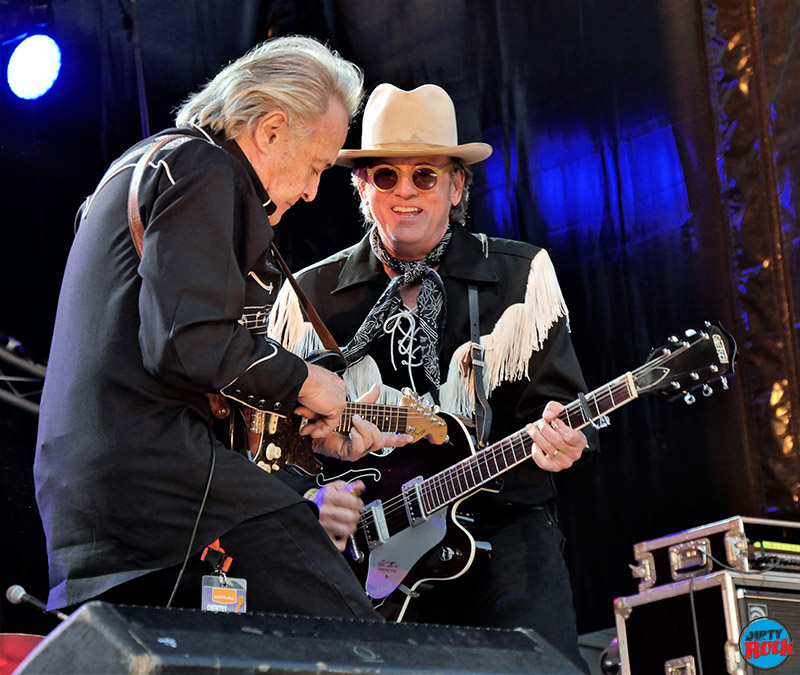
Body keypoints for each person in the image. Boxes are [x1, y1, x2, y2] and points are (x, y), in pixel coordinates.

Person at [33, 36, 412, 620]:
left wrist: (304, 437)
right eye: (315, 166)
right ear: (271, 130)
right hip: (161, 485)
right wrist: (310, 383)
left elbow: (170, 360)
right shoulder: (203, 167)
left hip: (88, 507)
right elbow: (188, 342)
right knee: (351, 631)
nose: (313, 191)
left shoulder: (143, 165)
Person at [268, 83, 596, 671]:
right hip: (361, 550)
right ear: (362, 187)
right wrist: (315, 500)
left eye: (425, 175)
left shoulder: (520, 277)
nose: (405, 192)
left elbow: (563, 411)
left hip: (501, 534)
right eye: (386, 176)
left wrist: (565, 439)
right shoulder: (307, 296)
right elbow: (276, 444)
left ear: (456, 186)